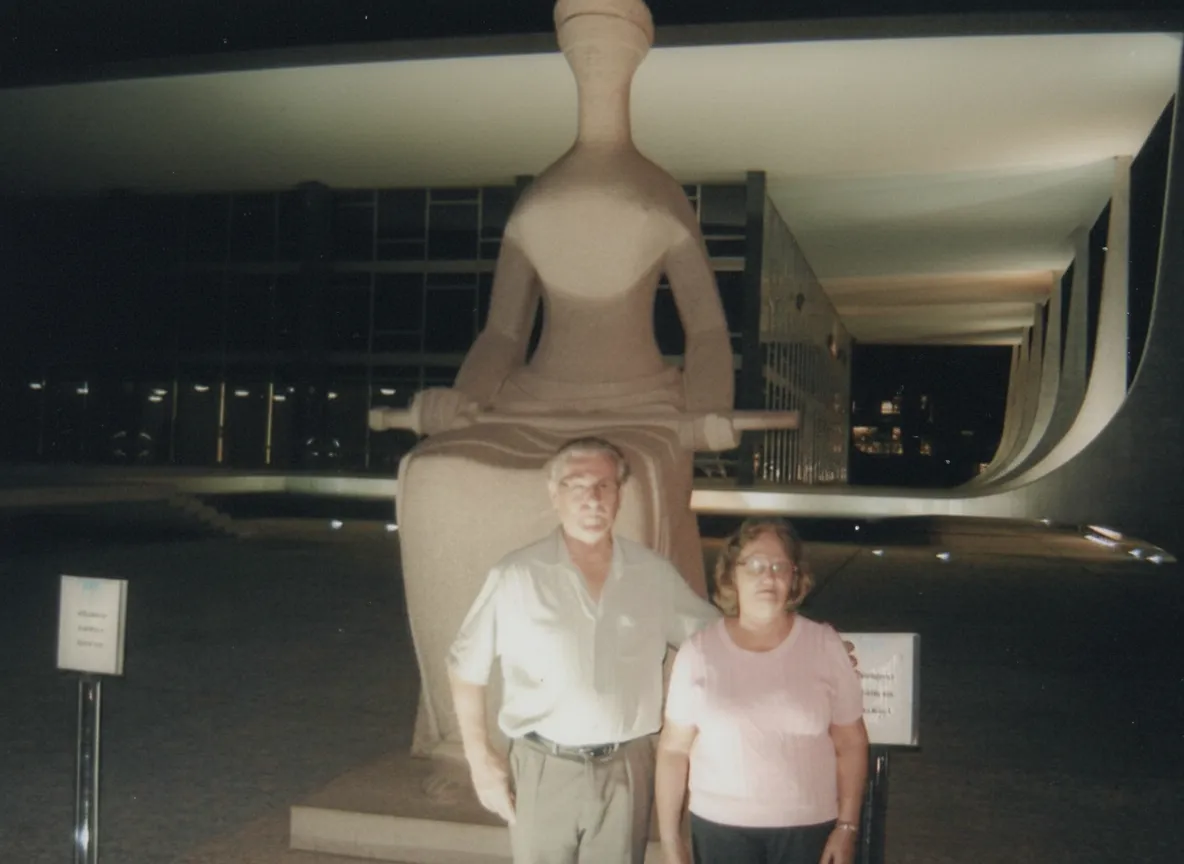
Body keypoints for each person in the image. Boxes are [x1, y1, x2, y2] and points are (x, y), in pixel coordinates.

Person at [447, 436, 721, 864]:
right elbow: (466, 668)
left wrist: (808, 647)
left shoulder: (653, 574)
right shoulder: (517, 575)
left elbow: (718, 641)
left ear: (619, 495)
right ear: (554, 494)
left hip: (626, 771)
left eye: (604, 486)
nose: (592, 498)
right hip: (542, 767)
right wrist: (480, 760)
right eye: (577, 485)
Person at [654, 517, 869, 864]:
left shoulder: (824, 644)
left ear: (794, 577)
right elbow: (673, 751)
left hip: (808, 830)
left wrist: (847, 827)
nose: (767, 576)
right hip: (720, 829)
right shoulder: (698, 652)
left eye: (779, 566)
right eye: (754, 565)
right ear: (731, 575)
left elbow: (852, 742)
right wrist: (670, 841)